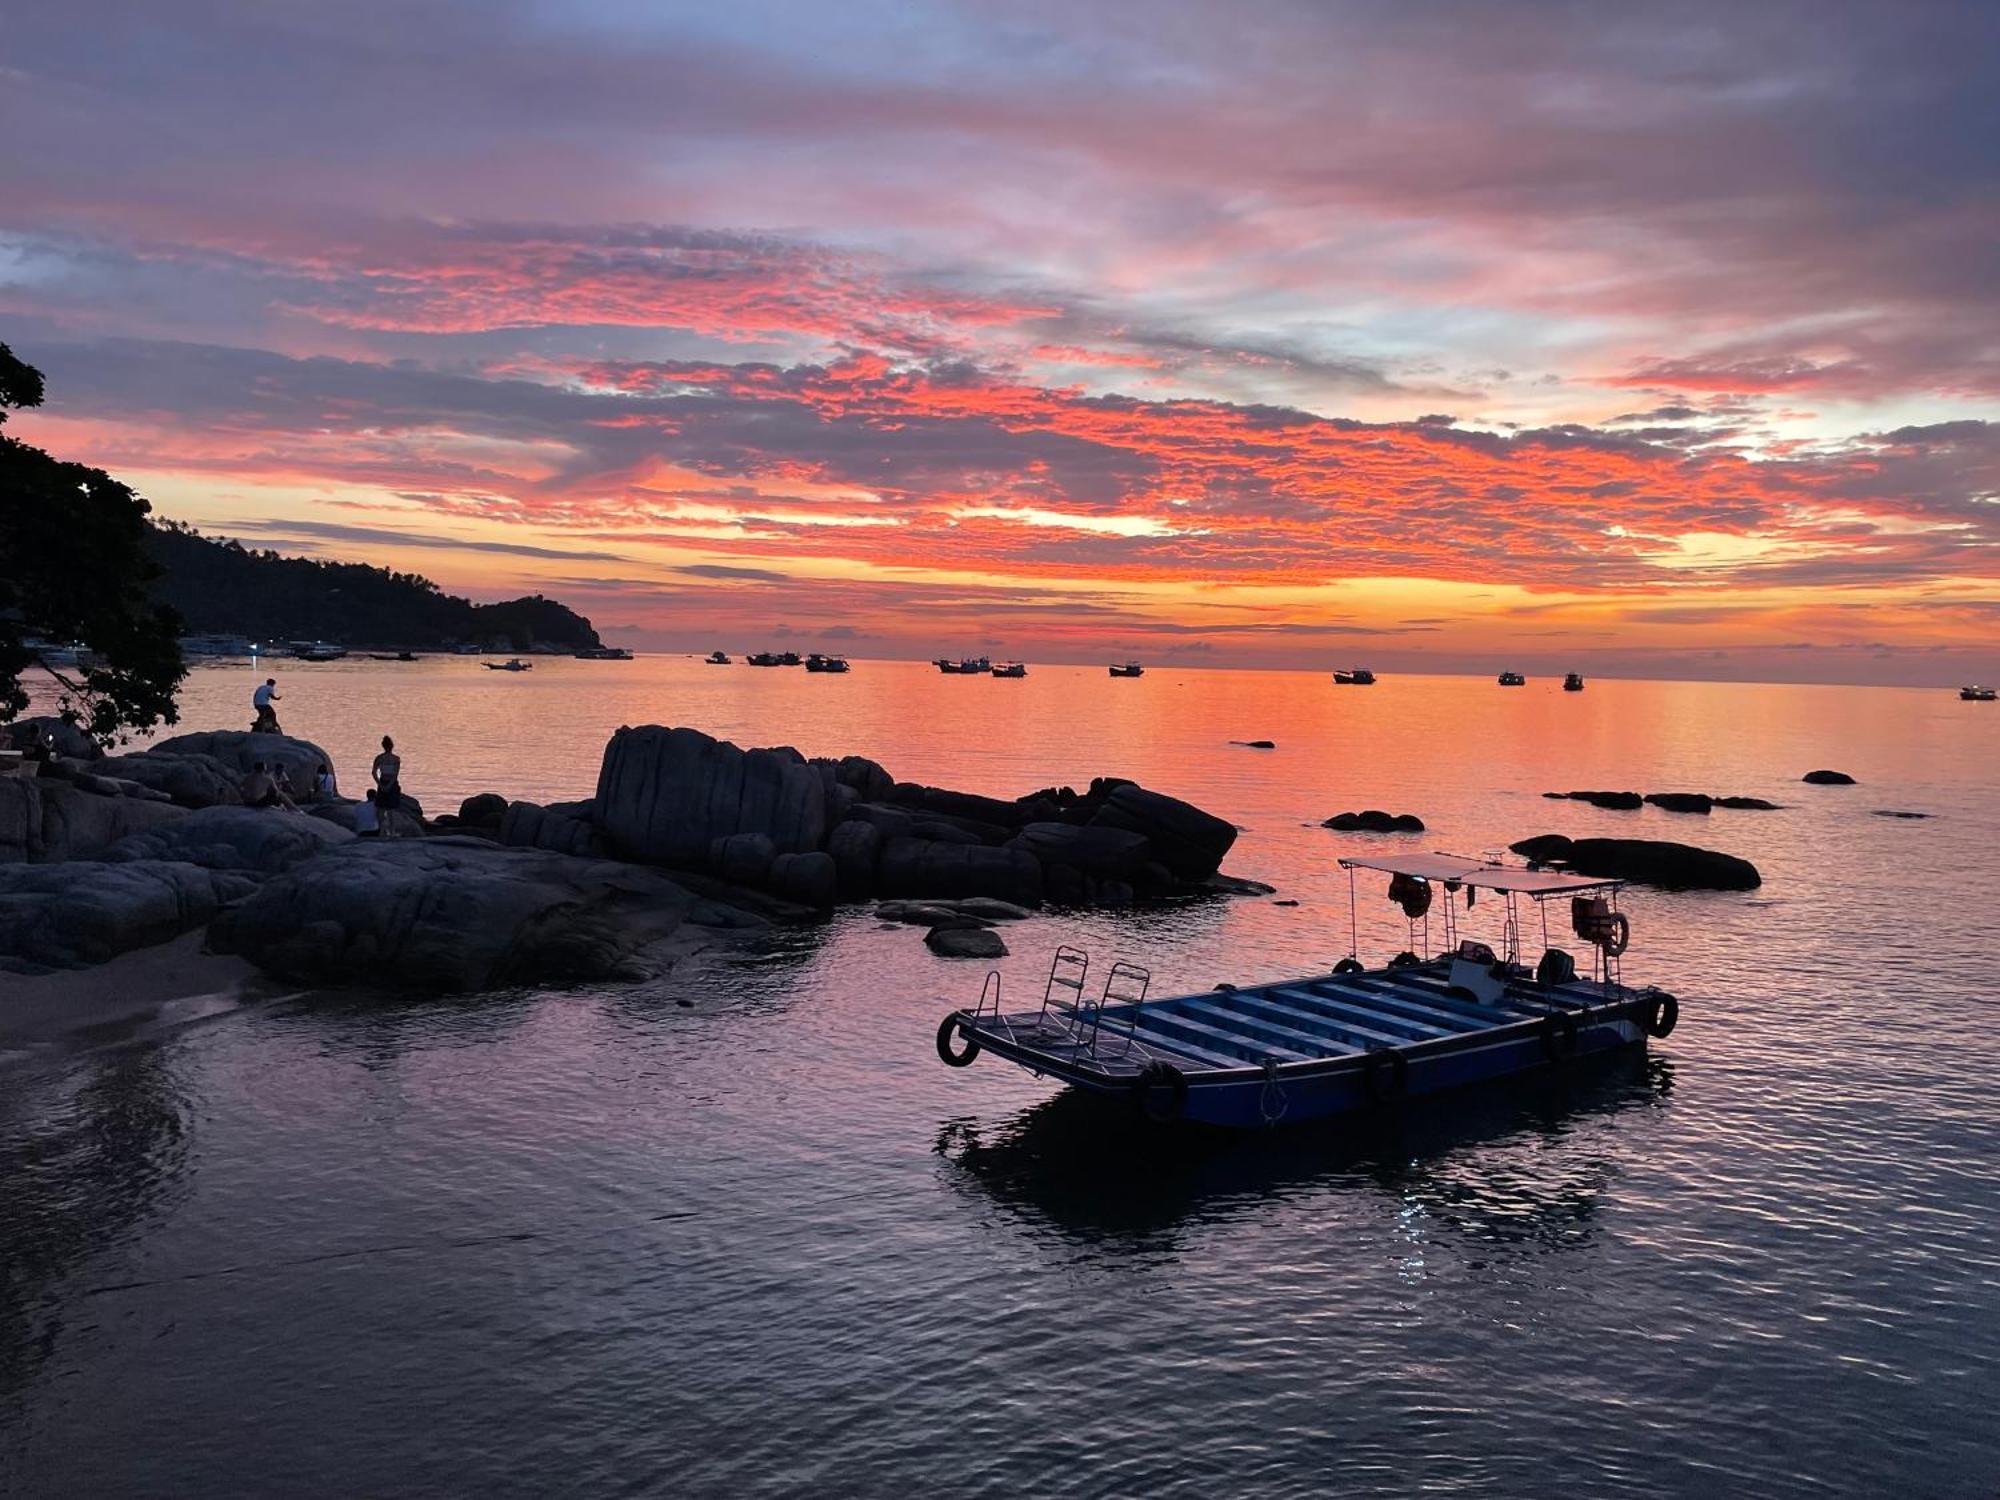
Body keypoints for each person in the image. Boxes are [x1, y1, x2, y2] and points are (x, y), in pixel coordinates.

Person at [371, 734, 403, 838]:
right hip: (391, 784)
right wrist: (389, 785)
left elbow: (374, 772)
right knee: (391, 809)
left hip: (383, 781)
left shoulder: (379, 758)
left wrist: (380, 784)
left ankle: (382, 831)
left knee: (381, 808)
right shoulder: (396, 759)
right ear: (392, 746)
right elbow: (395, 775)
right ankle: (392, 832)